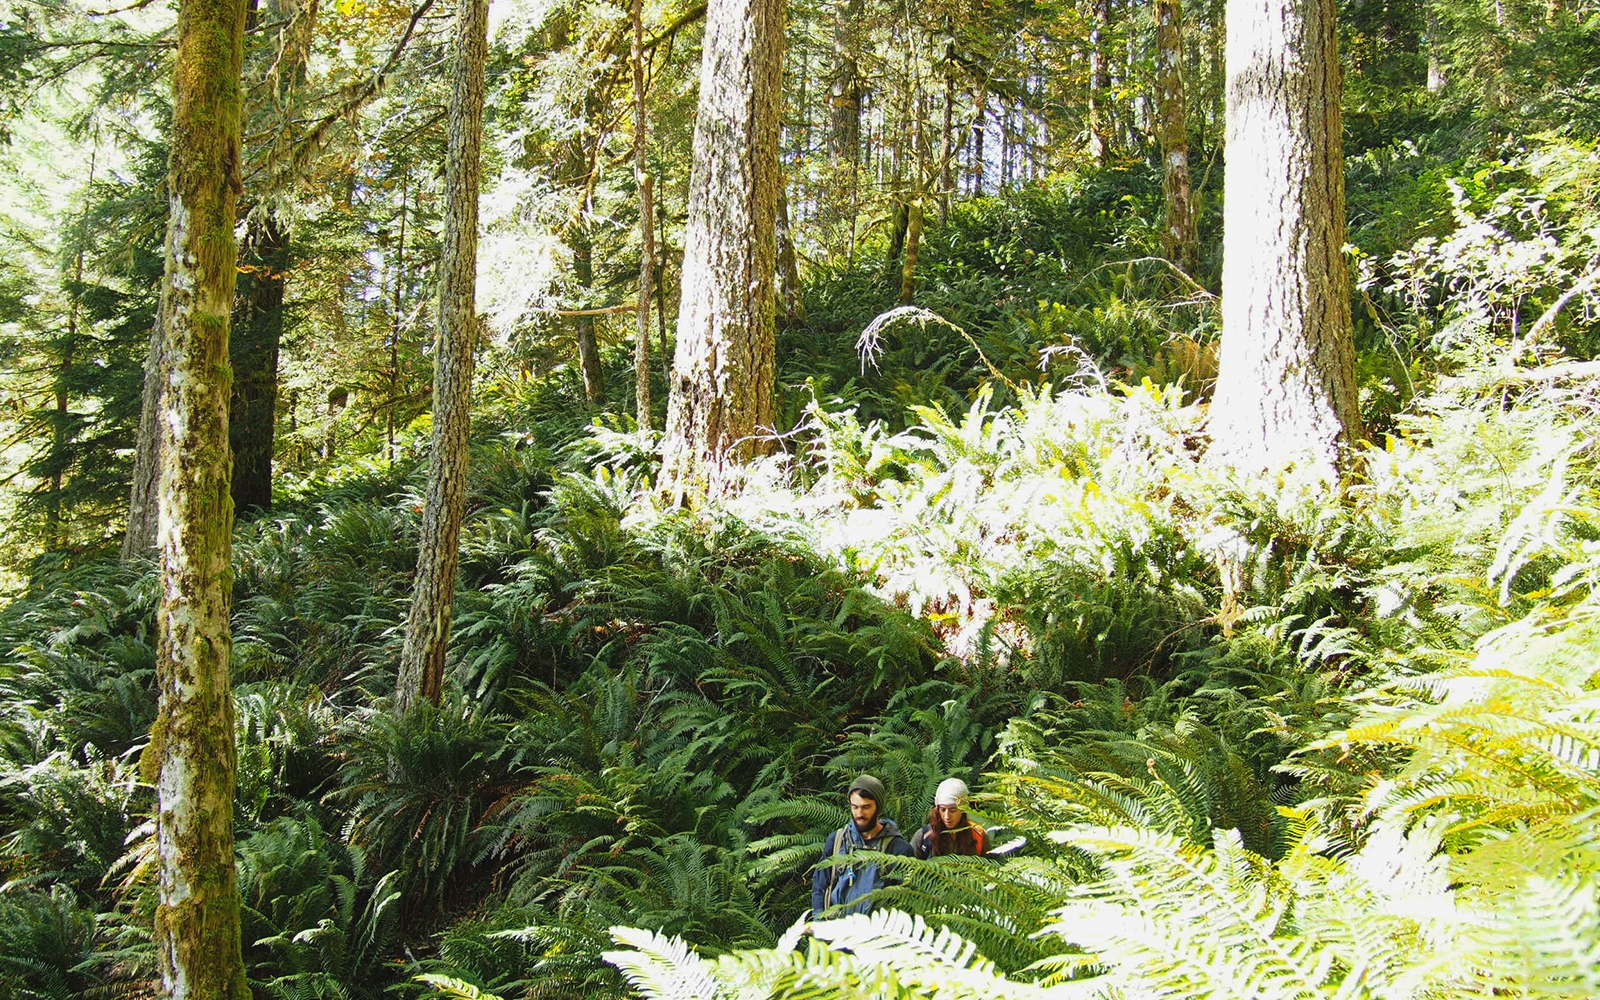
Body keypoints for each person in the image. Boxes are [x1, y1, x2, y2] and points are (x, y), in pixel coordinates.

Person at [810, 774, 914, 918]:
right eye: (855, 807)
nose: (859, 814)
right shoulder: (837, 841)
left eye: (866, 807)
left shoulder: (898, 849)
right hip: (836, 933)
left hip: (877, 936)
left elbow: (906, 901)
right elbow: (820, 885)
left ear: (878, 807)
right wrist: (819, 921)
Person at [910, 778, 987, 859]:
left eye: (953, 811)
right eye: (943, 810)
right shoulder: (923, 837)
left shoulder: (978, 835)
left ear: (963, 809)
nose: (947, 816)